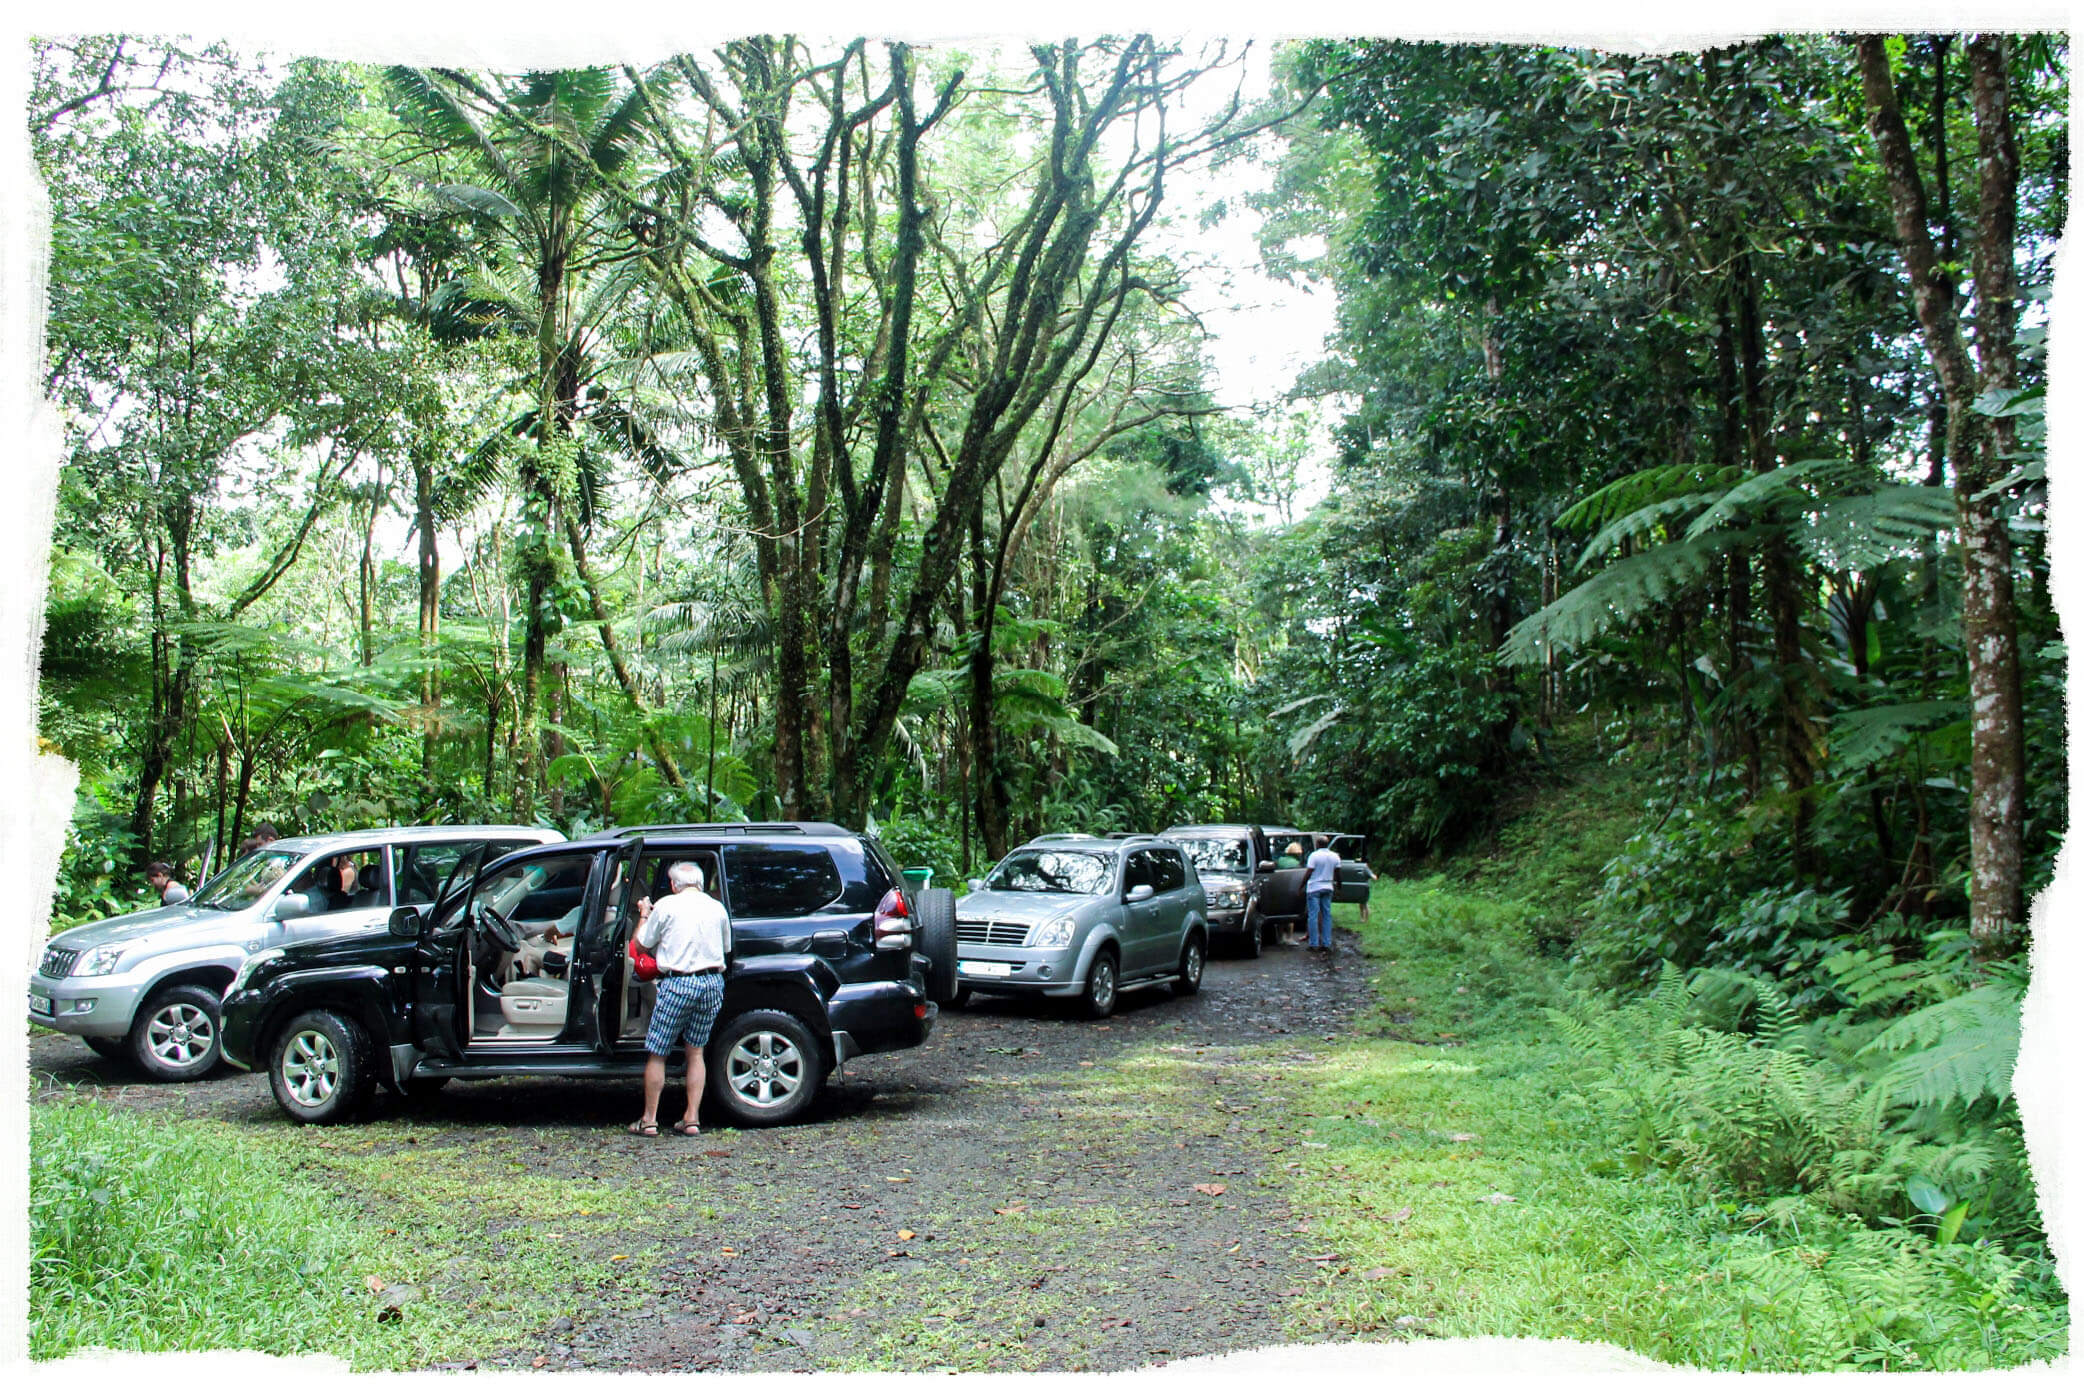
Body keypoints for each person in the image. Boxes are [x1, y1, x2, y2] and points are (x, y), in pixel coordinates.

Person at [628, 860, 730, 1138]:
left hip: (678, 983)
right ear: (699, 883)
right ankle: (692, 1119)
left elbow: (639, 945)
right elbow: (726, 947)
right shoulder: (716, 907)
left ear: (674, 885)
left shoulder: (666, 906)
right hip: (711, 983)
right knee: (696, 1052)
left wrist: (645, 914)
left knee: (658, 1052)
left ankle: (649, 1120)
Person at [1304, 834, 1340, 955]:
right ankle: (1326, 943)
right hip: (1328, 887)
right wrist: (1339, 885)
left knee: (1313, 916)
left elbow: (1309, 871)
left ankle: (1313, 943)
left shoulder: (1314, 856)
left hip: (1314, 887)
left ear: (1317, 844)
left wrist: (1301, 885)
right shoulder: (1335, 856)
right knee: (1326, 915)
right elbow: (1337, 873)